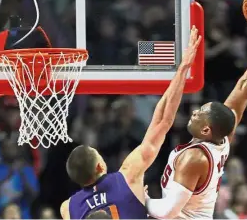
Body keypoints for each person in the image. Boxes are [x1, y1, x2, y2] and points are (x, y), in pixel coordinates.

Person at [145, 0, 247, 219]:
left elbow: (167, 212)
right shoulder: (222, 138)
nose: (194, 112)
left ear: (206, 130)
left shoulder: (194, 158)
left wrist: (144, 198)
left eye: (200, 114)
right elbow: (245, 85)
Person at [59, 27, 202, 219]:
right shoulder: (128, 175)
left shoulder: (67, 208)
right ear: (100, 166)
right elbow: (163, 121)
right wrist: (182, 68)